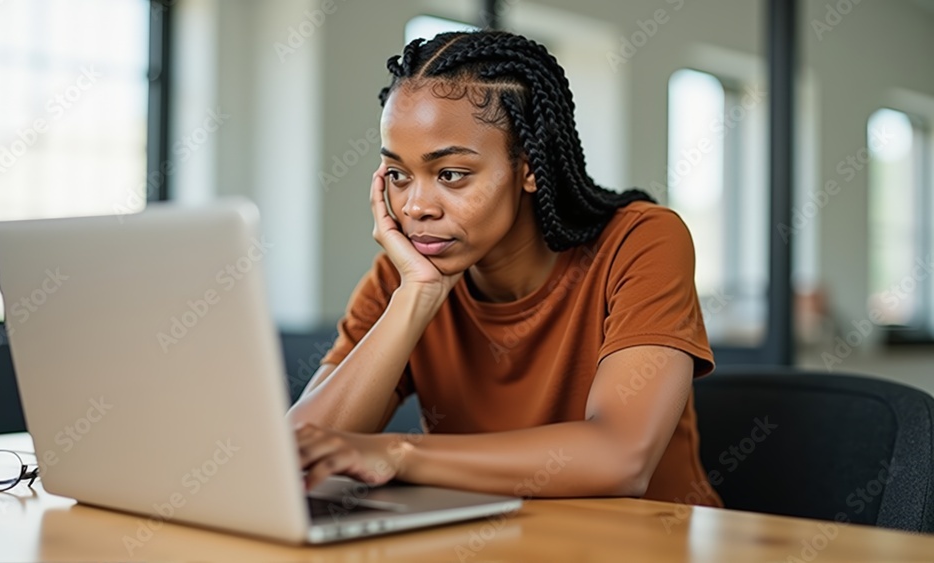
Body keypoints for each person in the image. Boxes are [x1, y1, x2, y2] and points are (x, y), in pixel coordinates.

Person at [287, 30, 722, 507]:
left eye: (450, 174)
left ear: (530, 166)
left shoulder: (641, 241)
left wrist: (399, 451)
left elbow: (621, 458)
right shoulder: (407, 276)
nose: (415, 207)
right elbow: (296, 452)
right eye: (397, 175)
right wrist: (416, 298)